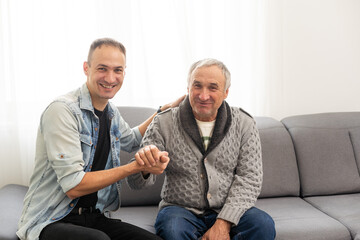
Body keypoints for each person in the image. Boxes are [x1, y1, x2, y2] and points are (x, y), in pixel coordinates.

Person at [17, 38, 183, 240]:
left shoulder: (110, 112)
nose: (110, 78)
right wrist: (136, 167)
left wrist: (162, 111)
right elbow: (74, 185)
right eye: (102, 68)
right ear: (86, 68)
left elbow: (131, 140)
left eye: (118, 70)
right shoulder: (62, 111)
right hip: (50, 220)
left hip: (93, 216)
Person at [127, 58, 276, 240]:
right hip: (179, 209)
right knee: (173, 230)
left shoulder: (244, 123)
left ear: (226, 92)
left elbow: (250, 179)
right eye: (197, 86)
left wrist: (224, 222)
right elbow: (135, 183)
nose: (203, 96)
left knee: (263, 226)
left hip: (229, 207)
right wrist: (143, 169)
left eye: (213, 88)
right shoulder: (163, 122)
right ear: (188, 88)